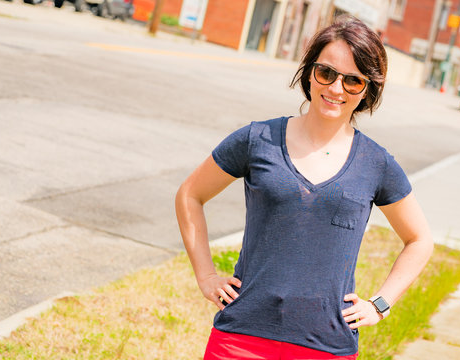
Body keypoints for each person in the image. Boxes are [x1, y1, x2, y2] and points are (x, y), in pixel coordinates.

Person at [175, 14, 433, 360]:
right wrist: (206, 275)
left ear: (368, 89)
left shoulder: (377, 164)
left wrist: (381, 304)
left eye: (353, 81)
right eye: (326, 73)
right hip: (241, 338)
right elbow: (190, 194)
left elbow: (419, 240)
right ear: (309, 71)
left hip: (326, 346)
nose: (336, 89)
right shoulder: (258, 140)